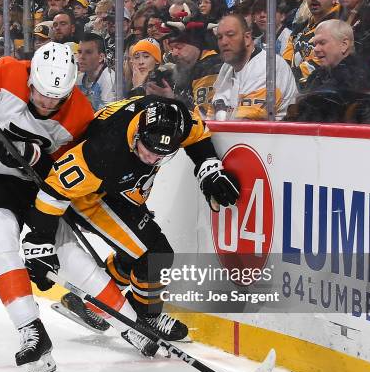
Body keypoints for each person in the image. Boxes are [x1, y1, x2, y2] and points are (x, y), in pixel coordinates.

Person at [0, 42, 156, 372]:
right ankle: (31, 331)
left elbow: (69, 170)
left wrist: (37, 165)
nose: (47, 102)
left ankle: (130, 323)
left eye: (57, 97)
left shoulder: (80, 114)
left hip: (36, 185)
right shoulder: (10, 72)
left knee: (69, 253)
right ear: (31, 79)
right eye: (41, 92)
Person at [22, 96, 240, 340]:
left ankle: (92, 303)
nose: (152, 160)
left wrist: (208, 168)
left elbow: (198, 134)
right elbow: (54, 191)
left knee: (135, 250)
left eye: (162, 156)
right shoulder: (104, 150)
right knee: (155, 254)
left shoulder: (175, 121)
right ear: (137, 133)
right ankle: (147, 316)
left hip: (122, 191)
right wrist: (40, 240)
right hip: (90, 196)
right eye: (148, 151)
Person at [289, 19, 370, 123]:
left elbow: (317, 106)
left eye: (322, 43)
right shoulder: (320, 73)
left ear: (344, 45)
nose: (316, 49)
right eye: (315, 44)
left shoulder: (357, 74)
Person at [212, 14, 297, 121]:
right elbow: (217, 103)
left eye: (230, 35)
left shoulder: (268, 65)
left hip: (276, 135)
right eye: (219, 37)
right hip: (242, 136)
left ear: (247, 38)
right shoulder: (227, 67)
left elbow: (246, 121)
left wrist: (220, 116)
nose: (223, 42)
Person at [282, 0, 340, 89]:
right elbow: (285, 62)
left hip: (322, 93)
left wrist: (283, 79)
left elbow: (317, 67)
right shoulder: (300, 29)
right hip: (295, 90)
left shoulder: (339, 26)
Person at [77, 32, 116, 110]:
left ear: (101, 57)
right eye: (80, 52)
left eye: (88, 52)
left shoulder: (110, 79)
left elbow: (107, 116)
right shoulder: (80, 78)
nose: (81, 57)